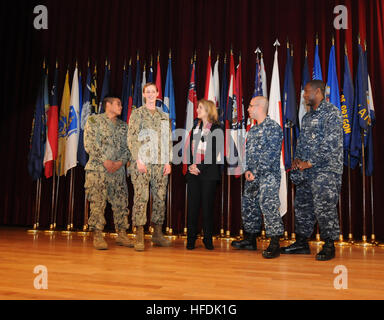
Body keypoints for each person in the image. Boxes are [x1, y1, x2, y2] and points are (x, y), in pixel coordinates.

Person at [281, 80, 343, 261]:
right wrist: (298, 160)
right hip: (306, 172)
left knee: (325, 208)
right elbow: (303, 142)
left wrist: (309, 162)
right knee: (302, 206)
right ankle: (301, 242)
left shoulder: (332, 113)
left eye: (307, 92)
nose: (304, 95)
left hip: (326, 171)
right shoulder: (307, 117)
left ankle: (329, 245)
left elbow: (331, 144)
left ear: (318, 92)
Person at [231, 96, 284, 259]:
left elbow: (271, 155)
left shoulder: (273, 128)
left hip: (268, 177)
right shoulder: (253, 130)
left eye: (251, 106)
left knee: (269, 207)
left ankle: (275, 243)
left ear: (260, 108)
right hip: (252, 176)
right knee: (249, 206)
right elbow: (248, 153)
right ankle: (250, 239)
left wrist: (256, 171)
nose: (248, 109)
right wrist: (247, 170)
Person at [128, 83, 173, 251]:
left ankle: (157, 233)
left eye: (153, 91)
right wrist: (138, 159)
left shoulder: (163, 116)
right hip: (142, 163)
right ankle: (139, 234)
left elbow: (167, 140)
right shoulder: (137, 114)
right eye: (148, 92)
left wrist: (168, 162)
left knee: (160, 197)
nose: (151, 94)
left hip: (160, 163)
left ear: (158, 94)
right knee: (141, 198)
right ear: (144, 94)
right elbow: (132, 138)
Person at [84, 95, 133, 250]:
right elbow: (89, 144)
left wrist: (119, 163)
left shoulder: (124, 126)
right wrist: (105, 160)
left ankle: (122, 234)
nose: (121, 106)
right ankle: (98, 235)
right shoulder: (94, 121)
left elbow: (128, 149)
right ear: (108, 105)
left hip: (117, 172)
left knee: (121, 203)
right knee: (97, 203)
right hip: (98, 170)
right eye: (118, 104)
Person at [185, 99, 223, 250]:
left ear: (208, 110)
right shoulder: (195, 127)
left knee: (207, 208)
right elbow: (188, 149)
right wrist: (190, 166)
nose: (197, 110)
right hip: (193, 173)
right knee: (192, 208)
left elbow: (213, 153)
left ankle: (208, 239)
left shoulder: (217, 129)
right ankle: (190, 240)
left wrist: (199, 167)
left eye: (200, 108)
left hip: (208, 174)